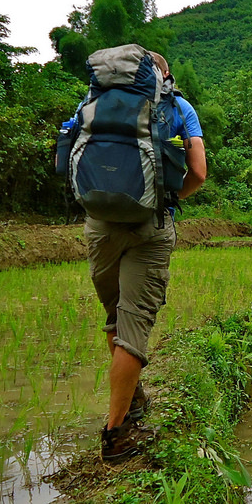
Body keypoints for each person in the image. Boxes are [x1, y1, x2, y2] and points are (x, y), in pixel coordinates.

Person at [82, 50, 206, 460]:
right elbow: (199, 172)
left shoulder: (93, 100)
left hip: (99, 224)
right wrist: (169, 199)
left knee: (115, 317)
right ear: (163, 74)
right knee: (133, 330)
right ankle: (116, 436)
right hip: (149, 225)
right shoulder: (178, 106)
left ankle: (132, 399)